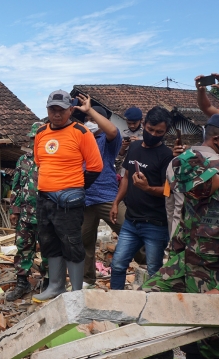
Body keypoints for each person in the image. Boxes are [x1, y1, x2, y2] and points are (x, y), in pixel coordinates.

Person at [143, 149, 219, 359]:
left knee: (210, 338)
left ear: (207, 178)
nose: (189, 194)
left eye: (193, 189)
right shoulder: (194, 194)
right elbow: (182, 236)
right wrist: (168, 268)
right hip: (187, 265)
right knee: (147, 303)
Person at [33, 90, 103, 302]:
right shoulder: (41, 133)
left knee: (72, 243)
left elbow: (95, 167)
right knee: (49, 242)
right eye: (53, 109)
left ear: (70, 109)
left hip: (68, 201)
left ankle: (76, 292)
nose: (57, 114)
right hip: (44, 198)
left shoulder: (81, 132)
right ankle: (55, 286)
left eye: (61, 110)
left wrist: (76, 188)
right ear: (47, 109)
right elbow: (40, 162)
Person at [109, 106, 173, 290]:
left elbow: (168, 191)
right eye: (150, 129)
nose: (153, 134)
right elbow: (127, 178)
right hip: (131, 221)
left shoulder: (167, 156)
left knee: (154, 271)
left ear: (165, 132)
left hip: (155, 224)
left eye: (159, 132)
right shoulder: (135, 147)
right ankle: (116, 306)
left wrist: (148, 188)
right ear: (144, 125)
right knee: (118, 265)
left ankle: (151, 311)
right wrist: (116, 202)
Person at [74, 95, 126, 289]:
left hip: (107, 197)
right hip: (85, 198)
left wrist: (90, 110)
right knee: (84, 241)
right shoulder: (80, 139)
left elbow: (113, 130)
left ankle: (147, 263)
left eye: (93, 120)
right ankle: (88, 279)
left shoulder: (108, 140)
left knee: (128, 229)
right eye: (87, 121)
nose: (90, 123)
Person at [167, 114, 219, 238]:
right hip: (213, 245)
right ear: (216, 140)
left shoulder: (176, 162)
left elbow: (170, 205)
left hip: (181, 240)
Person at [6, 122, 48, 301]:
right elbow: (16, 186)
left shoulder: (52, 159)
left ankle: (48, 282)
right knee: (23, 248)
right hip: (25, 215)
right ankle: (22, 283)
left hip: (48, 215)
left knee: (49, 251)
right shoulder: (23, 160)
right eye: (33, 138)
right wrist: (14, 211)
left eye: (38, 137)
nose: (35, 141)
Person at [115, 106, 143, 175]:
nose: (132, 126)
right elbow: (120, 154)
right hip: (126, 167)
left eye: (134, 123)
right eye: (129, 123)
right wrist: (123, 147)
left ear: (141, 120)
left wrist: (139, 142)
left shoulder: (146, 133)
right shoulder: (124, 133)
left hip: (142, 165)